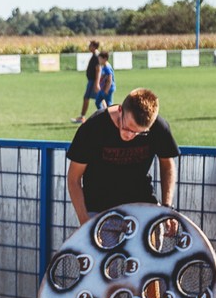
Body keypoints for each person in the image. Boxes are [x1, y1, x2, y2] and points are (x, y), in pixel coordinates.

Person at [65, 88, 179, 225]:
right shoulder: (93, 128)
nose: (130, 136)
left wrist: (167, 208)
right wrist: (84, 221)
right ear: (120, 110)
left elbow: (167, 164)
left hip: (141, 202)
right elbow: (73, 178)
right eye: (127, 127)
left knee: (153, 239)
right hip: (100, 207)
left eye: (139, 133)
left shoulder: (159, 127)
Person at [73, 40, 101, 123]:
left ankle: (82, 117)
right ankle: (82, 116)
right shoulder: (94, 55)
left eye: (90, 45)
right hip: (91, 81)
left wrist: (96, 83)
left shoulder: (96, 56)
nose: (89, 47)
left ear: (94, 46)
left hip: (93, 81)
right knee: (97, 99)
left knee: (93, 99)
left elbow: (98, 70)